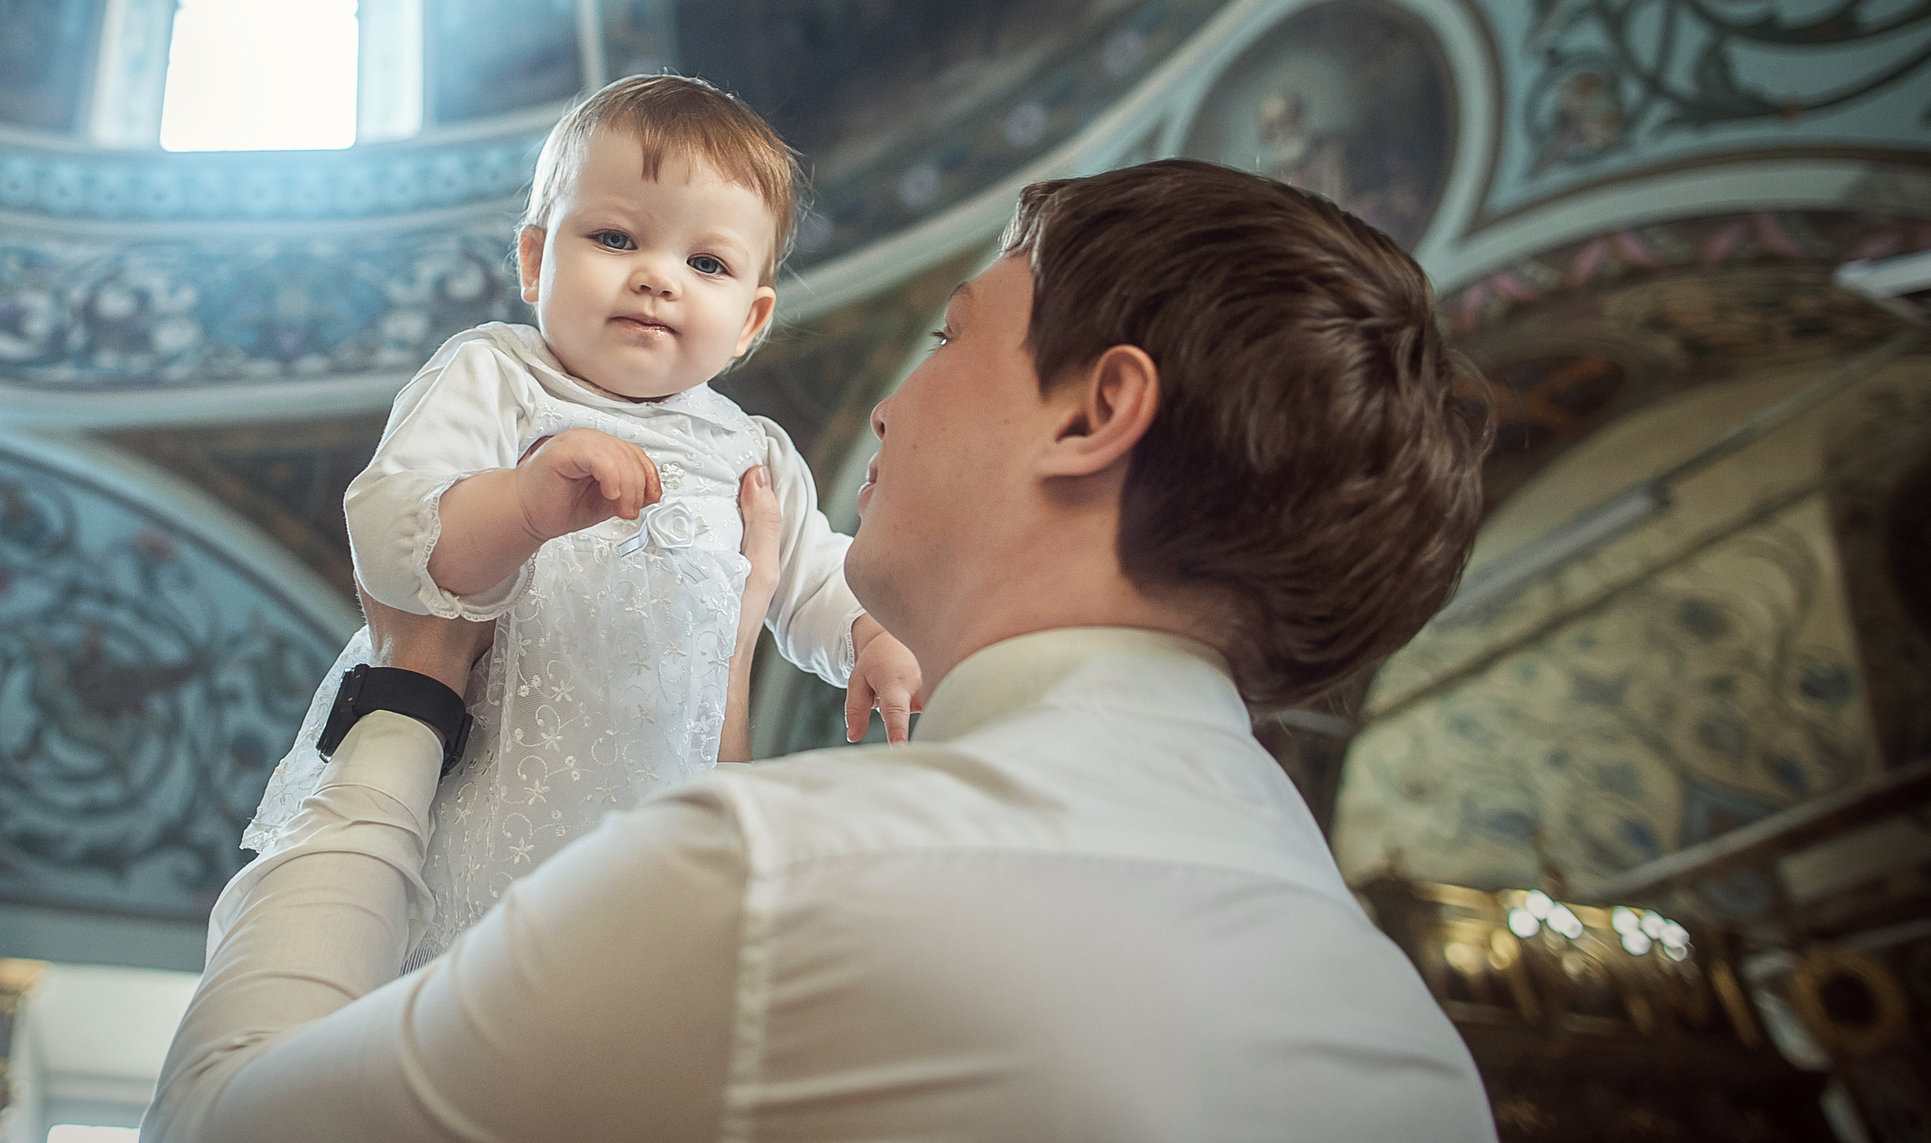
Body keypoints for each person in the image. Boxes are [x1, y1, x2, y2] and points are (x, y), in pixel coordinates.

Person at [147, 160, 1497, 1141]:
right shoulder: (1406, 1037)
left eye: (948, 334)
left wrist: (405, 697)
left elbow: (222, 1121)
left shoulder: (773, 878)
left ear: (1097, 411)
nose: (896, 404)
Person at [241, 75, 924, 962]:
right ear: (534, 260)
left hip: (652, 815)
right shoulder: (501, 376)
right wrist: (523, 505)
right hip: (466, 792)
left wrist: (873, 636)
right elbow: (389, 525)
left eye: (707, 263)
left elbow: (817, 575)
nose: (656, 276)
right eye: (614, 236)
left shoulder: (751, 450)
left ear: (752, 318)